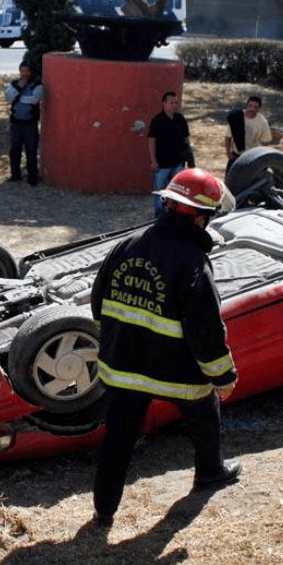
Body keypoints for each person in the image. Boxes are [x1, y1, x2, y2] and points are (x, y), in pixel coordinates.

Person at [90, 167, 242, 528]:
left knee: (119, 438)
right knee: (205, 413)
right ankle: (210, 472)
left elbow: (99, 304)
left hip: (123, 368)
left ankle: (103, 511)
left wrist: (121, 343)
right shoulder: (193, 262)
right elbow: (205, 332)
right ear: (202, 217)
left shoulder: (127, 246)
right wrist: (224, 376)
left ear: (170, 205)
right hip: (176, 373)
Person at [148, 91, 190, 217]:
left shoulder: (180, 120)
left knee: (177, 191)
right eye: (171, 103)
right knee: (160, 192)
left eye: (176, 103)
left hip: (178, 163)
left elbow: (186, 140)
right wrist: (153, 161)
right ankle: (159, 217)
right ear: (164, 103)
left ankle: (174, 215)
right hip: (162, 164)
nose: (174, 105)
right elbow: (151, 141)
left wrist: (188, 159)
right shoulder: (157, 120)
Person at [5, 62, 44, 186]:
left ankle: (32, 176)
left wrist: (17, 96)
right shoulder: (14, 83)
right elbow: (8, 97)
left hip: (30, 124)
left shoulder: (38, 85)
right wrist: (18, 89)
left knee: (31, 150)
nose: (25, 74)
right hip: (15, 124)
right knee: (14, 150)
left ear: (30, 72)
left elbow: (34, 99)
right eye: (22, 71)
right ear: (19, 72)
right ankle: (15, 175)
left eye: (27, 71)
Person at [224, 95, 279, 173]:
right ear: (247, 105)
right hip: (236, 156)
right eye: (250, 106)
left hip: (253, 158)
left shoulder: (262, 122)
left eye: (255, 107)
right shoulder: (237, 117)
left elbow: (265, 143)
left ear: (259, 109)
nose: (252, 109)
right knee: (228, 183)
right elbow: (228, 137)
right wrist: (228, 153)